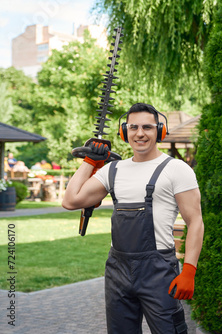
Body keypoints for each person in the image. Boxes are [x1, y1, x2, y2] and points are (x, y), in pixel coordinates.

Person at [62, 103, 204, 334]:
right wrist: (90, 163)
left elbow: (195, 221)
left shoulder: (177, 169)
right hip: (117, 269)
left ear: (160, 131)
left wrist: (189, 269)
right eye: (133, 127)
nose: (140, 133)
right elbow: (71, 201)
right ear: (123, 132)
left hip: (158, 271)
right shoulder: (113, 170)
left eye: (147, 127)